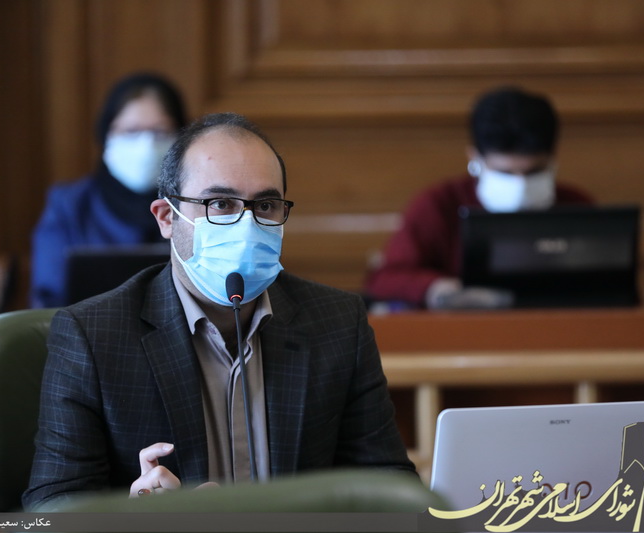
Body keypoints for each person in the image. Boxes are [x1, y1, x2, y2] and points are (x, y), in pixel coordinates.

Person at [22, 112, 415, 510]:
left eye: (265, 205)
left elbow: (391, 488)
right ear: (166, 218)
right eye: (220, 204)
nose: (246, 225)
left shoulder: (338, 323)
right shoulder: (92, 335)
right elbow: (51, 506)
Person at [363, 86, 594, 310]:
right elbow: (385, 279)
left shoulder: (576, 206)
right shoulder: (440, 205)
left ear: (552, 159)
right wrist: (437, 289)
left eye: (534, 172)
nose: (520, 185)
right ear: (474, 157)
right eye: (504, 173)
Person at [29, 72, 188, 308]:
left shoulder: (194, 204)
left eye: (160, 131)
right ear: (106, 134)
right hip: (85, 329)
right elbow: (48, 300)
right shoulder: (69, 205)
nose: (145, 145)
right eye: (131, 131)